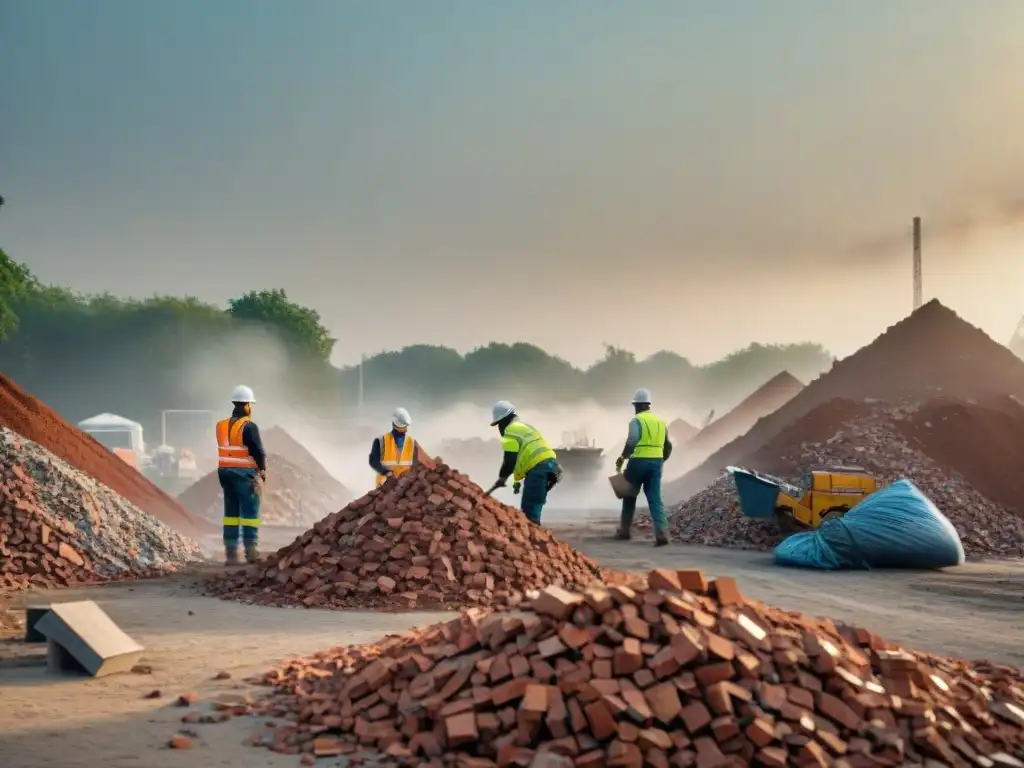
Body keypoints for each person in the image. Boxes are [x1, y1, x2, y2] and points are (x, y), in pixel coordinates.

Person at [614, 387, 672, 546]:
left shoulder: (636, 420)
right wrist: (661, 460)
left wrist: (622, 457)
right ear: (648, 404)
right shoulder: (660, 422)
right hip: (656, 463)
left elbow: (632, 440)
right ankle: (662, 534)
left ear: (637, 406)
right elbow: (668, 446)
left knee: (629, 495)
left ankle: (625, 531)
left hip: (638, 462)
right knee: (655, 498)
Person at [215, 385, 266, 565]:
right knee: (250, 513)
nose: (251, 408)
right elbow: (258, 451)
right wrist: (262, 469)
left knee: (231, 513)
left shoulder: (220, 426)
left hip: (224, 473)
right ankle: (251, 553)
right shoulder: (249, 426)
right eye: (250, 405)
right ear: (246, 406)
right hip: (244, 474)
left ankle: (231, 553)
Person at [489, 400, 561, 524]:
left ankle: (536, 539)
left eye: (499, 424)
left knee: (530, 512)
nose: (499, 428)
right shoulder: (525, 427)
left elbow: (510, 461)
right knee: (535, 500)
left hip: (538, 469)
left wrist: (502, 478)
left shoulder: (509, 433)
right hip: (551, 465)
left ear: (504, 421)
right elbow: (520, 463)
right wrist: (516, 484)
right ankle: (538, 537)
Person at [368, 407, 424, 487]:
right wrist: (385, 472)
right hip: (384, 486)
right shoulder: (381, 441)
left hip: (405, 485)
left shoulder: (411, 442)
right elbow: (373, 460)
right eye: (404, 428)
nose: (405, 430)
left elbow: (416, 463)